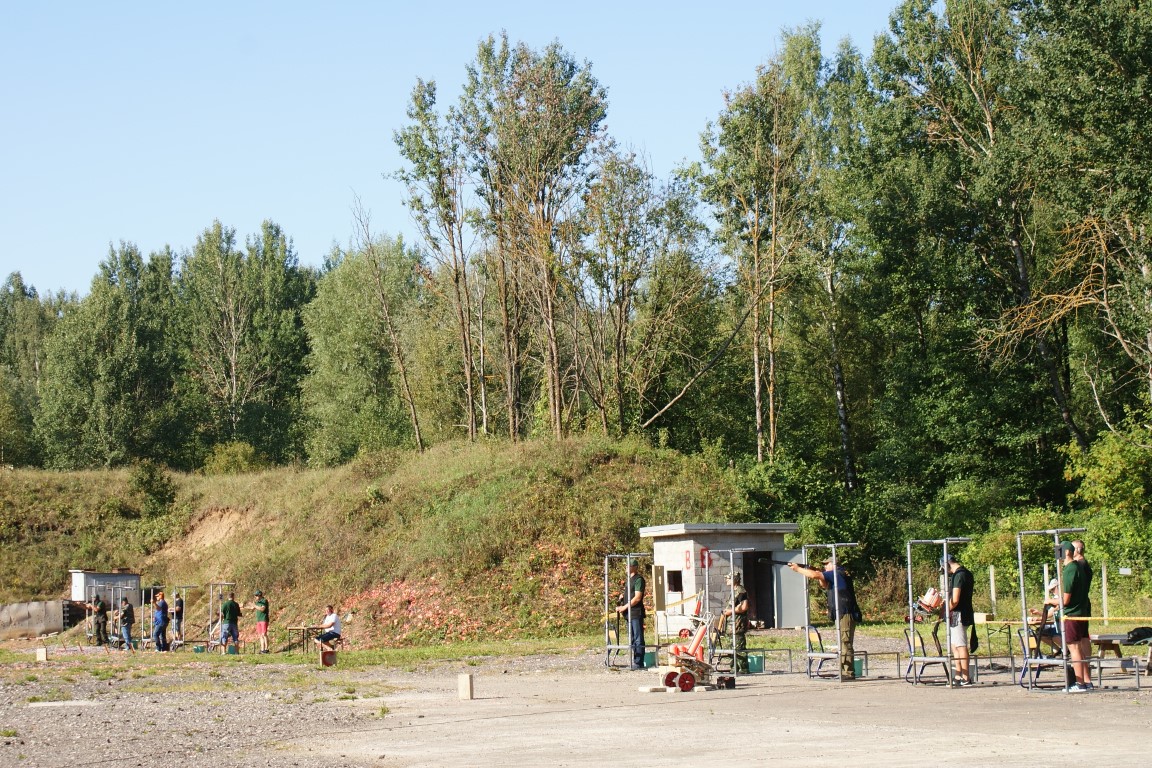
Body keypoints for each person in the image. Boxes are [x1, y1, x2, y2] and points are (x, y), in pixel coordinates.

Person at [789, 555, 860, 679]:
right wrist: (820, 575)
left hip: (846, 613)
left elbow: (813, 575)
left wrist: (798, 569)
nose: (825, 566)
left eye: (827, 564)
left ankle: (848, 672)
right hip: (841, 613)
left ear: (834, 564)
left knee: (845, 642)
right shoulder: (837, 574)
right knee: (843, 642)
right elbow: (824, 585)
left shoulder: (837, 573)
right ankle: (844, 671)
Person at [1048, 541, 1091, 691]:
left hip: (1072, 614)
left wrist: (1050, 601)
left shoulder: (1070, 569)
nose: (1057, 555)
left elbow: (1065, 600)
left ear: (1066, 552)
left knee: (1074, 648)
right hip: (1080, 612)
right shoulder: (1078, 567)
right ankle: (1086, 681)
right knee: (1078, 647)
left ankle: (1080, 683)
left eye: (1059, 551)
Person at [943, 553, 975, 686]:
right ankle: (958, 674)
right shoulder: (966, 573)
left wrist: (945, 610)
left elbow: (955, 600)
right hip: (962, 613)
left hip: (959, 614)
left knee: (960, 645)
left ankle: (965, 677)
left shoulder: (959, 575)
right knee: (955, 645)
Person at [615, 561, 646, 669]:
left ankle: (639, 662)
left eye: (628, 566)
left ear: (634, 567)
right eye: (626, 565)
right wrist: (622, 597)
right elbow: (631, 594)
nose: (626, 567)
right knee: (632, 638)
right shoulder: (629, 580)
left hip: (636, 613)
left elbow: (637, 598)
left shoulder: (638, 580)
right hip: (629, 614)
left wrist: (624, 607)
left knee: (638, 638)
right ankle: (635, 660)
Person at [721, 571, 749, 673]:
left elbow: (744, 607)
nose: (726, 580)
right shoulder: (734, 591)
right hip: (731, 625)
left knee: (739, 648)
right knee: (731, 647)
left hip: (737, 624)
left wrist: (730, 611)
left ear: (734, 579)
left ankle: (743, 668)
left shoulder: (740, 591)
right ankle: (735, 667)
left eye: (728, 578)